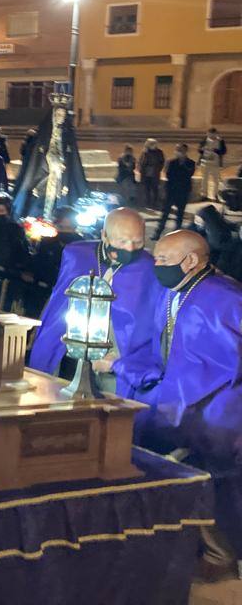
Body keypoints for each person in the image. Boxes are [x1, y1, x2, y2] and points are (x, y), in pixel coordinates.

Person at [119, 231, 242, 581]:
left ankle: (221, 556)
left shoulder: (227, 298)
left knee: (216, 483)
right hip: (181, 401)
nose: (156, 264)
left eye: (163, 259)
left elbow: (220, 363)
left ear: (190, 261)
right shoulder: (175, 290)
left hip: (219, 410)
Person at [28, 208, 160, 392]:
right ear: (104, 235)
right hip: (71, 342)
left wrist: (119, 360)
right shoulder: (77, 255)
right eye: (122, 241)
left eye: (138, 242)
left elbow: (144, 324)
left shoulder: (148, 267)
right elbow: (58, 300)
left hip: (114, 352)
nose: (130, 248)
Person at [152, 143, 196, 240]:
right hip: (171, 190)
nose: (179, 152)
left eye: (181, 150)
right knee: (165, 213)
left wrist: (183, 165)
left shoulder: (190, 163)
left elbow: (189, 174)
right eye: (178, 150)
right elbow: (168, 174)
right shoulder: (171, 162)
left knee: (180, 214)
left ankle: (177, 235)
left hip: (183, 191)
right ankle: (158, 232)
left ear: (186, 151)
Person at [199, 127, 227, 200]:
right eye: (209, 134)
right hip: (205, 162)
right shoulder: (204, 140)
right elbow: (199, 150)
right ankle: (204, 195)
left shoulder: (220, 141)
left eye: (213, 134)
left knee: (216, 180)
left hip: (215, 163)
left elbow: (224, 151)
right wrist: (202, 149)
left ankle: (215, 195)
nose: (211, 135)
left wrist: (216, 150)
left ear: (216, 134)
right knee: (204, 179)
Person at [139, 138, 165, 209]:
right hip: (146, 173)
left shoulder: (159, 152)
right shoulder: (145, 152)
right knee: (146, 189)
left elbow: (162, 162)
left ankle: (155, 203)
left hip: (155, 173)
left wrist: (158, 169)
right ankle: (147, 203)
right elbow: (141, 162)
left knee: (155, 189)